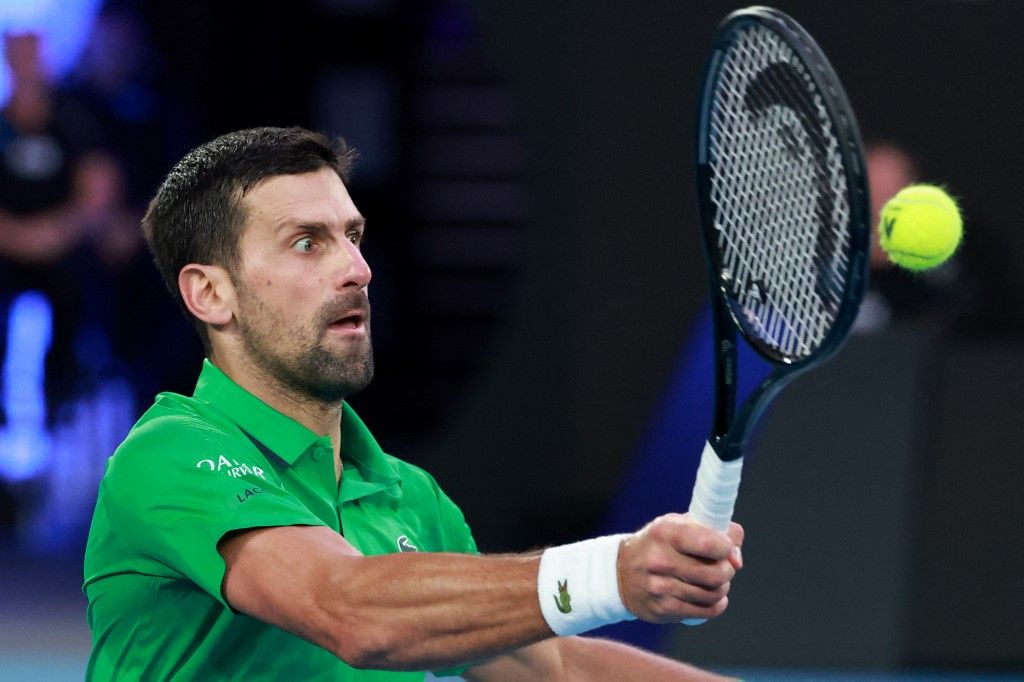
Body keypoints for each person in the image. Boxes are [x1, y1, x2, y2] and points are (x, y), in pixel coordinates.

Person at [82, 127, 744, 681]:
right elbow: (350, 611)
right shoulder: (169, 454)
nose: (356, 268)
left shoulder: (411, 497)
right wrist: (614, 572)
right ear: (210, 294)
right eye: (307, 242)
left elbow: (557, 667)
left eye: (353, 236)